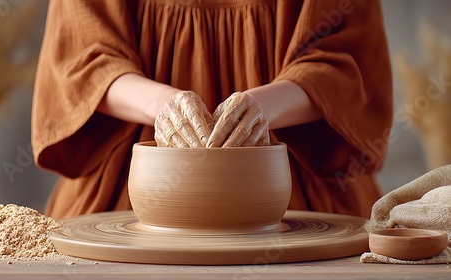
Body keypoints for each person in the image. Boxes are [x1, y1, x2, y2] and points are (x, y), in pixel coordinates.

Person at [32, 0, 392, 219]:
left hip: (291, 183)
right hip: (133, 182)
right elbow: (80, 62)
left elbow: (349, 62)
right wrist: (165, 108)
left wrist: (260, 109)